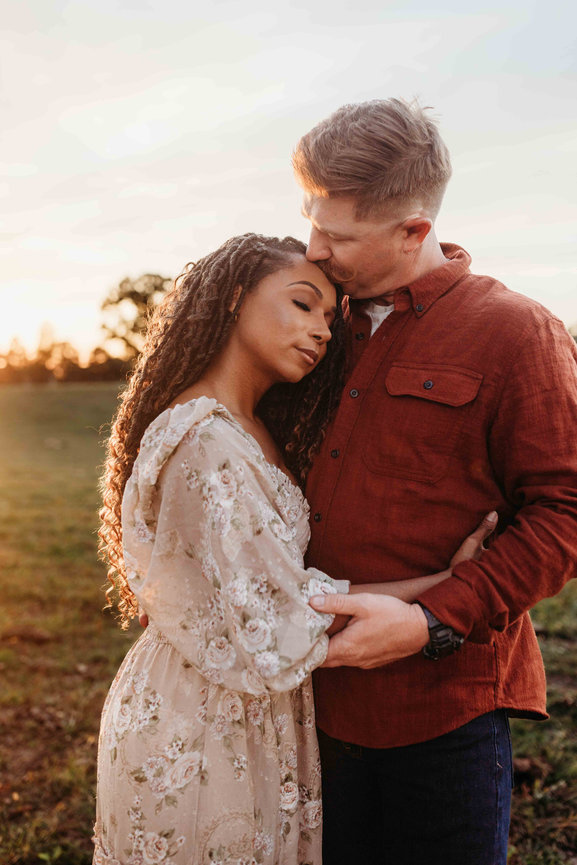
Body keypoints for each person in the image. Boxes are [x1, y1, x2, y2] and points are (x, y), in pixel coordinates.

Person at [93, 232, 493, 865]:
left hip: (245, 704)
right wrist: (441, 584)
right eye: (302, 304)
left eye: (331, 317)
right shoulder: (208, 444)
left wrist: (443, 578)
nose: (323, 332)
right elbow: (284, 617)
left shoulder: (248, 427)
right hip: (204, 721)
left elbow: (291, 588)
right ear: (230, 300)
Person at [292, 98, 577, 865]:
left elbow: (563, 511)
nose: (313, 249)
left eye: (338, 236)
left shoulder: (517, 332)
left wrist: (430, 621)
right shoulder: (305, 319)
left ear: (414, 230)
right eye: (311, 221)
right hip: (302, 701)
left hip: (441, 710)